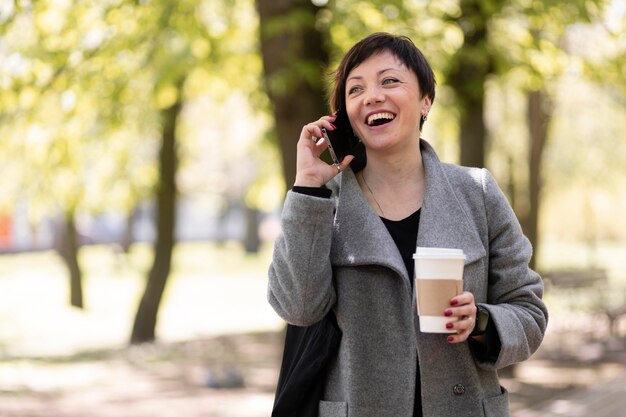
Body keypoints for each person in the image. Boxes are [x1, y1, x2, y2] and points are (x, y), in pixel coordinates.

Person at [268, 32, 548, 417]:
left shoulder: (476, 193)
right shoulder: (324, 203)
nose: (372, 96)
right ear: (344, 116)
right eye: (355, 89)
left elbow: (529, 311)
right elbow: (297, 308)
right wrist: (307, 188)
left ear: (425, 101)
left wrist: (482, 321)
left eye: (390, 81)